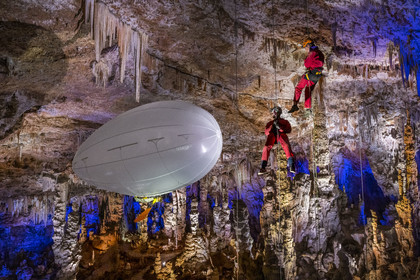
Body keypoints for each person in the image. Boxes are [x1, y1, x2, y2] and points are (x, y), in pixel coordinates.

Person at [288, 39, 324, 114]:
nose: (306, 50)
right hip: (317, 76)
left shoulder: (312, 53)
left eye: (306, 48)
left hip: (310, 74)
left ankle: (295, 105)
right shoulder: (320, 53)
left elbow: (307, 64)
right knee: (308, 89)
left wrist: (307, 57)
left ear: (309, 45)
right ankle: (308, 107)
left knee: (298, 88)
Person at [259, 106, 295, 174]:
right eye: (274, 113)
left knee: (286, 146)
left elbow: (288, 129)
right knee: (266, 147)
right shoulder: (270, 123)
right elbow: (266, 133)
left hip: (281, 135)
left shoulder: (284, 121)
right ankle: (263, 167)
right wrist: (271, 126)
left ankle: (291, 165)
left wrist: (280, 127)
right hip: (272, 136)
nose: (274, 114)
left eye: (275, 113)